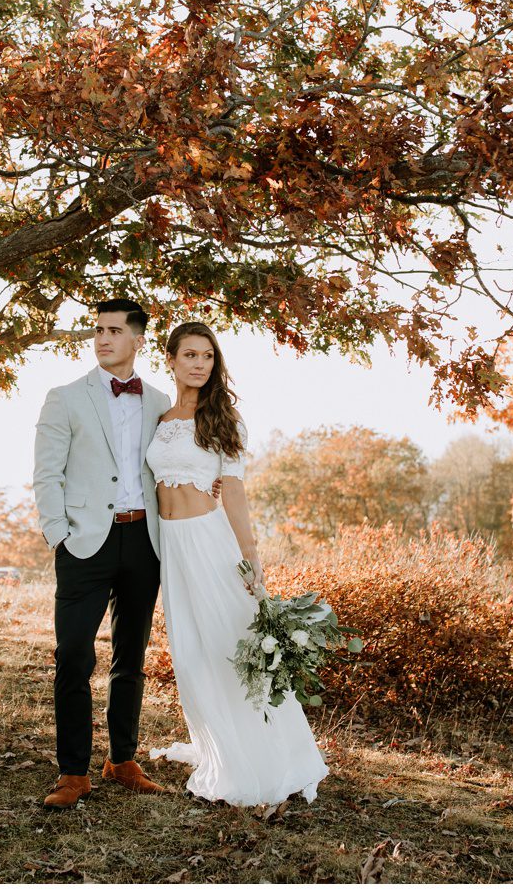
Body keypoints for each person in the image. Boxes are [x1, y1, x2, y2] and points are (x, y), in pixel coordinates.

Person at [145, 321, 328, 806]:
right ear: (172, 359)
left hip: (210, 542)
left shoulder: (225, 419)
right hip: (172, 547)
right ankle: (222, 746)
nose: (199, 363)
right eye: (189, 354)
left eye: (207, 355)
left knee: (232, 646)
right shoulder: (159, 419)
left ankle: (266, 758)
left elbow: (236, 493)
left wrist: (251, 557)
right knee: (191, 653)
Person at [32, 297, 171, 809]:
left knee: (130, 656)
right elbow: (47, 471)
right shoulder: (65, 397)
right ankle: (73, 773)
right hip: (84, 542)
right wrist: (58, 533)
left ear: (138, 340)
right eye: (98, 330)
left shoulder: (160, 401)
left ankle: (121, 759)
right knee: (72, 654)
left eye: (114, 330)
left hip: (144, 542)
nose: (102, 339)